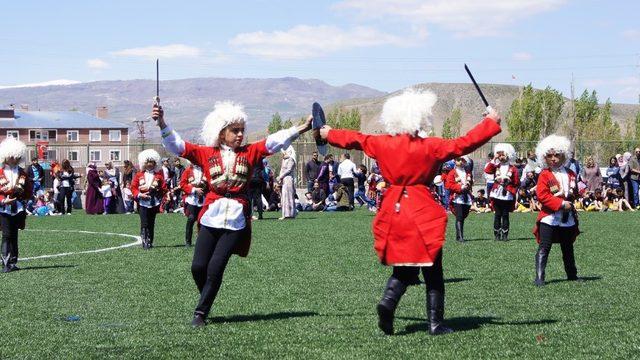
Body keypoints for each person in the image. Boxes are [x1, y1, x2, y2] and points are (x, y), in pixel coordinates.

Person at [318, 88, 501, 335]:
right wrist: (490, 122)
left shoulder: (381, 143)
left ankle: (388, 302)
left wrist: (328, 133)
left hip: (393, 209)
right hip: (421, 208)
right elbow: (463, 144)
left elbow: (356, 138)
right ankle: (435, 323)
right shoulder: (431, 146)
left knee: (403, 268)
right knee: (433, 271)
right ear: (420, 117)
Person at [154, 100, 312, 327]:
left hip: (236, 220)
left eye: (241, 130)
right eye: (234, 131)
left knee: (216, 267)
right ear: (221, 133)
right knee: (198, 267)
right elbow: (177, 145)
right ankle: (208, 294)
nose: (240, 135)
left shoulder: (251, 152)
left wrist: (301, 128)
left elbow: (276, 140)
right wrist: (161, 123)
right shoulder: (205, 152)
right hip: (211, 216)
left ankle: (200, 313)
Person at [532, 135, 582, 286]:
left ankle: (572, 275)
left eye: (557, 155)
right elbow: (542, 196)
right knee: (544, 247)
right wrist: (561, 204)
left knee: (568, 248)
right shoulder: (544, 174)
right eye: (549, 155)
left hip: (567, 219)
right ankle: (540, 277)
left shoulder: (571, 173)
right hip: (549, 217)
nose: (553, 158)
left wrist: (573, 196)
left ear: (563, 155)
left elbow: (575, 191)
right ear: (544, 157)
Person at [0, 137, 33, 272]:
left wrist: (23, 196)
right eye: (12, 156)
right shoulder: (0, 172)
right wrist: (3, 200)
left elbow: (28, 191)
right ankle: (6, 264)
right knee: (6, 234)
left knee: (14, 235)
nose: (15, 159)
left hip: (18, 208)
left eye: (17, 157)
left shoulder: (23, 173)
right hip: (3, 208)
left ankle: (13, 262)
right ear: (6, 156)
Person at [132, 149, 166, 249]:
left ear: (155, 163)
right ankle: (145, 242)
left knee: (151, 222)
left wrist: (159, 191)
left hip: (154, 202)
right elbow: (133, 187)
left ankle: (150, 241)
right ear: (144, 163)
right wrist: (139, 194)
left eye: (152, 162)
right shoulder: (139, 175)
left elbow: (164, 188)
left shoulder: (159, 176)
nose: (150, 164)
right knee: (144, 222)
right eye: (148, 162)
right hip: (142, 203)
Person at [485, 144, 519, 241]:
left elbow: (516, 182)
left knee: (505, 215)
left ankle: (505, 235)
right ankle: (496, 235)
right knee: (497, 214)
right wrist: (494, 159)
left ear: (508, 155)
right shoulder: (496, 166)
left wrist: (509, 188)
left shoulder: (513, 168)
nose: (501, 157)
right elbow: (487, 170)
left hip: (507, 194)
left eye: (502, 155)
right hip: (496, 194)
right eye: (499, 155)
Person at [445, 155, 473, 243]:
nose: (460, 162)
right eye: (458, 160)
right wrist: (460, 187)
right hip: (457, 197)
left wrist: (469, 185)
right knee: (459, 216)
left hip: (466, 196)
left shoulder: (468, 172)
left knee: (463, 216)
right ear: (455, 161)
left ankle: (459, 236)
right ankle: (460, 237)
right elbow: (448, 185)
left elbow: (470, 182)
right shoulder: (452, 172)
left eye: (462, 160)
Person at [180, 163, 207, 246]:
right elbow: (182, 184)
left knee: (202, 220)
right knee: (191, 218)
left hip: (203, 199)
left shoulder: (205, 170)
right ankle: (188, 241)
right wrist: (194, 189)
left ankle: (201, 241)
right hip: (192, 199)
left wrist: (204, 186)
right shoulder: (187, 171)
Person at [277, 145, 297, 220]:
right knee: (284, 196)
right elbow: (282, 169)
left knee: (288, 196)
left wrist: (281, 176)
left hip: (288, 179)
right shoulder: (284, 160)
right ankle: (285, 213)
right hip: (284, 179)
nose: (283, 153)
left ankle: (290, 214)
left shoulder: (291, 159)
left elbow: (288, 170)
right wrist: (280, 177)